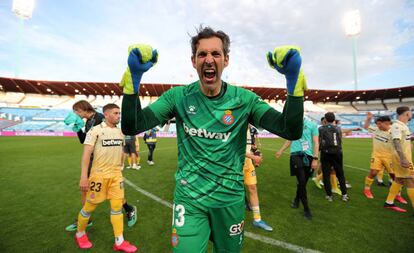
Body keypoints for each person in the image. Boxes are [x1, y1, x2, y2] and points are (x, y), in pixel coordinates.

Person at [120, 26, 306, 252]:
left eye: (216, 54)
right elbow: (133, 125)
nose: (209, 59)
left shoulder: (244, 100)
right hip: (189, 200)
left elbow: (289, 129)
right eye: (202, 54)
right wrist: (133, 82)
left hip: (229, 201)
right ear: (193, 61)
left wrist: (293, 83)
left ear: (226, 60)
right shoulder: (177, 97)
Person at [74, 103, 137, 252]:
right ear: (106, 114)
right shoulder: (95, 131)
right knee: (89, 207)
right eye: (115, 113)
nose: (118, 116)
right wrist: (84, 177)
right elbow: (86, 155)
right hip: (99, 175)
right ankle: (80, 233)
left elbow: (121, 150)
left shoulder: (121, 132)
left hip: (116, 176)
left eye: (119, 113)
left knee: (116, 208)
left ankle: (119, 241)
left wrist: (121, 164)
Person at [276, 118, 319, 219]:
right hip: (295, 155)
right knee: (302, 181)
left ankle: (296, 198)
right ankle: (306, 209)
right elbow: (289, 140)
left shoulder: (312, 125)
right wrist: (281, 150)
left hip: (308, 156)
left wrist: (315, 158)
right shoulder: (294, 125)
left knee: (303, 182)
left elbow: (316, 142)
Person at [362, 112, 407, 203]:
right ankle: (366, 189)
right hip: (377, 155)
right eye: (377, 123)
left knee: (394, 176)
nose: (377, 125)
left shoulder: (393, 132)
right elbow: (366, 127)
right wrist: (368, 119)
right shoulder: (376, 129)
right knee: (373, 172)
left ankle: (398, 195)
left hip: (390, 157)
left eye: (379, 123)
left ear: (387, 123)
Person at [384, 106, 414, 213]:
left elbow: (402, 140)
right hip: (402, 159)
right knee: (411, 180)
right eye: (410, 112)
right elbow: (396, 142)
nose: (411, 114)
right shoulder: (397, 126)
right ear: (406, 114)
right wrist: (403, 159)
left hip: (403, 158)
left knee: (399, 180)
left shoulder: (402, 126)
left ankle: (389, 202)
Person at [244, 126, 273, 231]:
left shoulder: (249, 130)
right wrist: (254, 157)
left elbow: (247, 148)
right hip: (235, 164)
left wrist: (255, 152)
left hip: (247, 163)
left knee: (253, 188)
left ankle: (257, 219)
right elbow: (234, 149)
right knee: (231, 192)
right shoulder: (236, 126)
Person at [319, 112, 350, 202]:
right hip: (337, 153)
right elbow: (340, 139)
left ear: (325, 119)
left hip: (326, 153)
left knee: (326, 174)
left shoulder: (321, 129)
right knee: (340, 174)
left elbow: (319, 141)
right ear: (334, 119)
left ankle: (329, 196)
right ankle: (344, 195)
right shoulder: (338, 128)